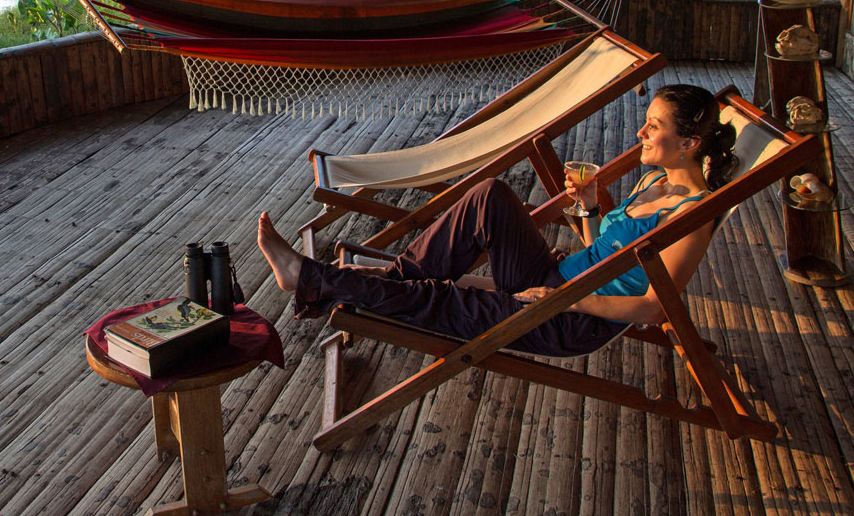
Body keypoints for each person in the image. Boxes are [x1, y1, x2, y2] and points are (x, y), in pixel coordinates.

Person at [258, 84, 738, 356]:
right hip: (555, 280)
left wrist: (565, 301)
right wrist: (591, 207)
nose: (641, 132)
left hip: (567, 318)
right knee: (492, 195)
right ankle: (389, 279)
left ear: (690, 144)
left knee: (440, 300)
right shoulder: (653, 183)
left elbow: (654, 308)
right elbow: (605, 253)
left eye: (654, 126)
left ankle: (311, 277)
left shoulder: (692, 216)